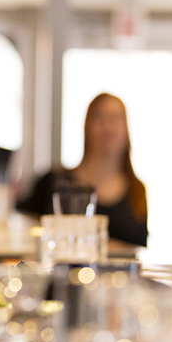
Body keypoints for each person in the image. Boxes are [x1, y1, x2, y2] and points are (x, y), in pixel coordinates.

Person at [18, 93, 149, 246]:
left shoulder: (137, 190)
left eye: (116, 118)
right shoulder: (53, 182)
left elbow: (140, 252)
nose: (108, 125)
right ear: (86, 126)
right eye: (99, 117)